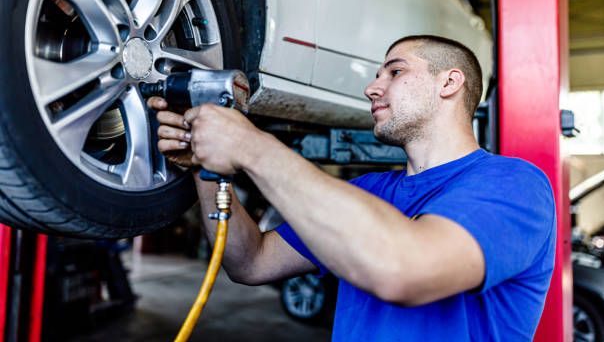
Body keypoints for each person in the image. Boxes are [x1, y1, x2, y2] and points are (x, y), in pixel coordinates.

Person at [147, 35, 556, 341]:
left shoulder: (515, 184)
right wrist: (207, 170)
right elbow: (251, 262)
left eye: (395, 72)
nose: (372, 88)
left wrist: (252, 146)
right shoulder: (368, 192)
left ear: (449, 82)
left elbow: (405, 270)